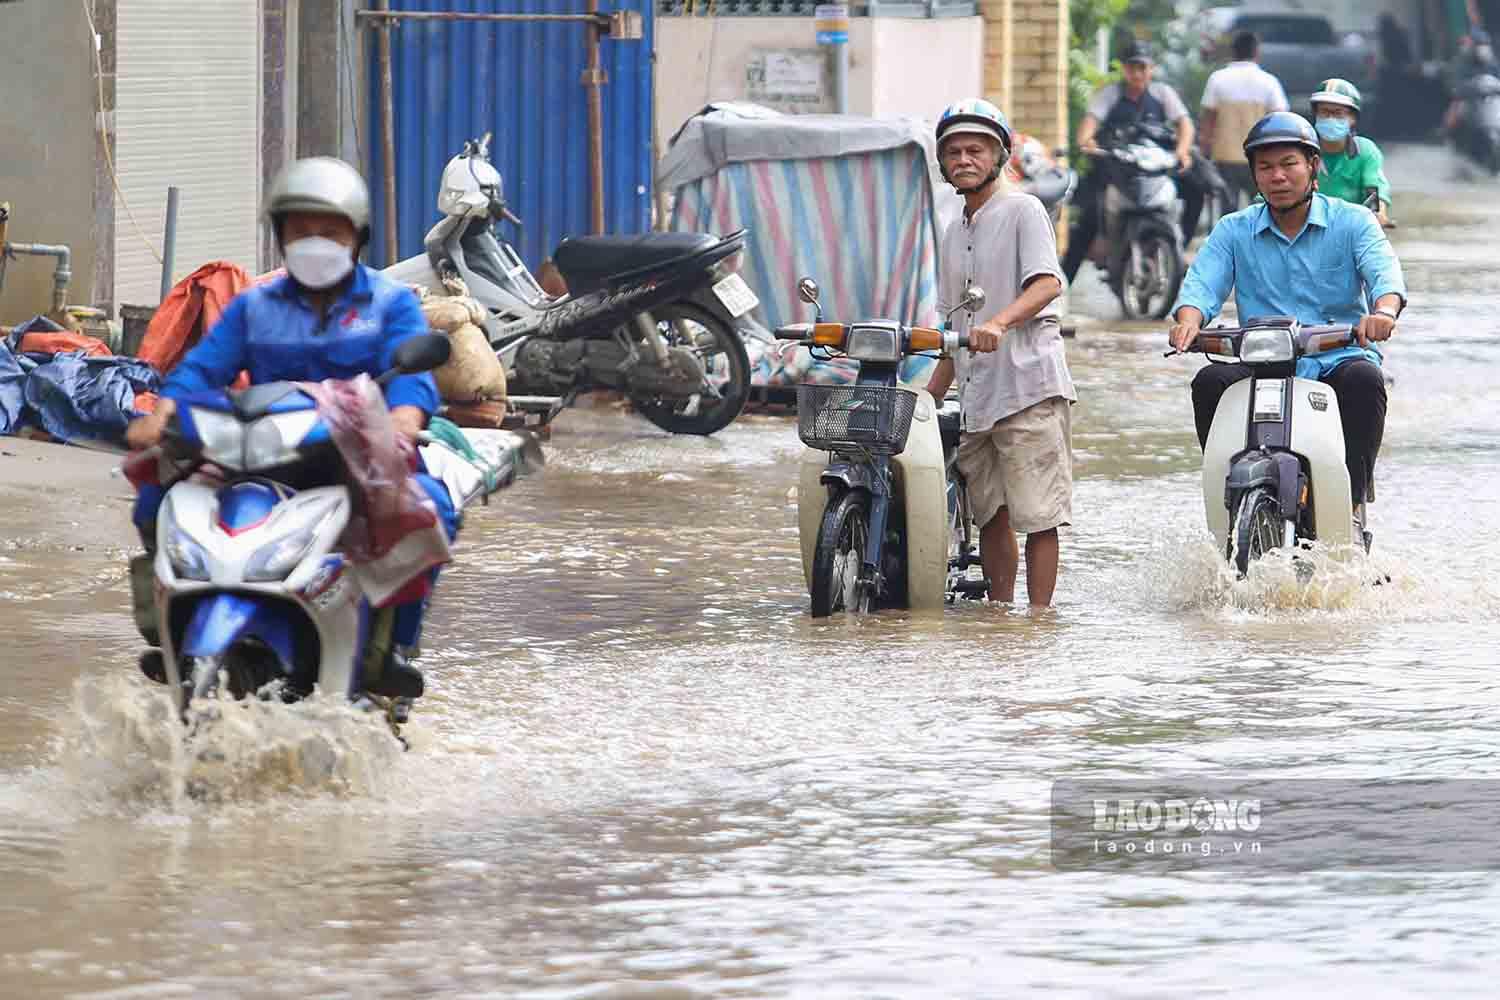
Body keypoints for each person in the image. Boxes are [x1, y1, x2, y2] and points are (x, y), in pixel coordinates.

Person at [124, 156, 459, 704]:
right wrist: (161, 412)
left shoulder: (389, 302)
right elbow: (203, 367)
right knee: (156, 498)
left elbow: (413, 378)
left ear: (358, 236)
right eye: (301, 229)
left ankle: (390, 650)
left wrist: (404, 418)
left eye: (329, 230)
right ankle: (165, 627)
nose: (314, 241)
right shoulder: (255, 305)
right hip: (263, 447)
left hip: (354, 450)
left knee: (430, 508)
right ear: (280, 234)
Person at [1168, 112, 1406, 520]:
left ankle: (1349, 500)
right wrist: (1189, 321)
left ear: (1313, 166)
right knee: (1210, 382)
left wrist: (1382, 312)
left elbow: (1385, 276)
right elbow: (1201, 285)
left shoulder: (1353, 222)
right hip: (1261, 363)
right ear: (1255, 176)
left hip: (1337, 357)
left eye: (1288, 164)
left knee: (1366, 381)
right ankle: (1231, 496)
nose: (1277, 176)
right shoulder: (1233, 230)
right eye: (1265, 167)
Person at [923, 98, 1075, 608]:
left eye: (975, 150)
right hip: (978, 395)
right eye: (954, 152)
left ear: (999, 155)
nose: (963, 160)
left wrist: (998, 322)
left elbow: (1048, 283)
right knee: (991, 514)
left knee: (1039, 514)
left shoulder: (1023, 209)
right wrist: (925, 401)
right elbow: (952, 327)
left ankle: (1038, 620)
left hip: (1028, 386)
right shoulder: (951, 230)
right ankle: (1000, 616)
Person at [1062, 39, 1205, 284]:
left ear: (1152, 69)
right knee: (1088, 217)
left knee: (1198, 189)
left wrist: (1182, 151)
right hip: (1118, 167)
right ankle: (1060, 286)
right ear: (1124, 69)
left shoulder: (1163, 94)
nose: (1137, 73)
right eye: (1132, 67)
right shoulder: (1109, 95)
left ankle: (1177, 248)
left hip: (1156, 165)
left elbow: (1184, 124)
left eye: (1143, 67)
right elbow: (1088, 125)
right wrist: (1087, 141)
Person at [1198, 31, 1289, 209]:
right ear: (1257, 52)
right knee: (1262, 208)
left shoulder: (1217, 79)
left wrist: (1204, 152)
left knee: (1228, 211)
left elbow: (1208, 120)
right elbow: (1281, 120)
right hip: (1260, 157)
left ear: (1233, 52)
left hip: (1225, 157)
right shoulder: (1269, 82)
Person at [1308, 79, 1393, 227]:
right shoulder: (1304, 150)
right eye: (1324, 112)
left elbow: (1373, 186)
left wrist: (1377, 213)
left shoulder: (1365, 151)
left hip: (1352, 229)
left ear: (1352, 118)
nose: (1330, 118)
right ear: (1316, 114)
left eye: (1338, 113)